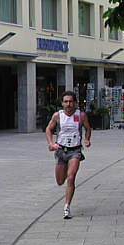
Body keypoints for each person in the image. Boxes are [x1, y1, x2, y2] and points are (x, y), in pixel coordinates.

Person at [45, 91, 91, 219]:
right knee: (60, 181)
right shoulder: (57, 116)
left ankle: (67, 206)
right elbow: (48, 129)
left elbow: (87, 128)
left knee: (71, 178)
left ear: (75, 103)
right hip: (61, 150)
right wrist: (50, 143)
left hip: (75, 151)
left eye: (70, 101)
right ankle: (66, 172)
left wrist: (87, 139)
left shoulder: (81, 115)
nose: (68, 104)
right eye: (66, 102)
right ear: (62, 103)